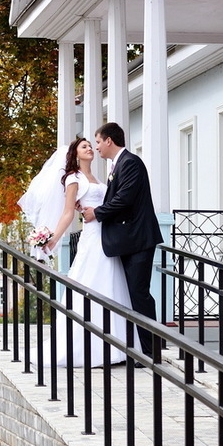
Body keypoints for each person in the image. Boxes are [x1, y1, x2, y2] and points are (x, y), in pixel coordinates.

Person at [18, 137, 134, 367]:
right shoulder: (73, 178)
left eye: (91, 145)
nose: (90, 148)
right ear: (75, 153)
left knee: (111, 284)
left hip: (107, 235)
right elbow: (68, 213)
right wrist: (53, 239)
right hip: (92, 237)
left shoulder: (97, 178)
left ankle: (116, 347)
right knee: (91, 284)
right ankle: (91, 348)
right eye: (84, 146)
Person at [81, 123, 164, 362]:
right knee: (132, 294)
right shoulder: (118, 165)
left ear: (109, 140)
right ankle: (143, 346)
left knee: (139, 293)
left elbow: (124, 199)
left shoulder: (130, 163)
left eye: (98, 142)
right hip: (128, 239)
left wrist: (97, 213)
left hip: (138, 238)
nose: (97, 147)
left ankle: (151, 351)